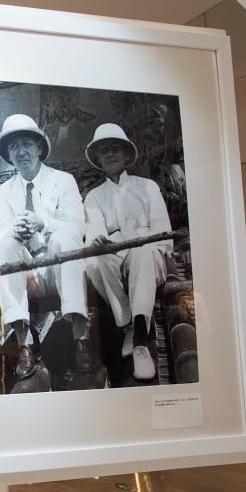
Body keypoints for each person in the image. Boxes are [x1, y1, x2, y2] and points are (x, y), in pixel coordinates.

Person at [0, 114, 93, 379]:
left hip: (58, 268)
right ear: (8, 154)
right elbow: (0, 234)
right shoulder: (5, 190)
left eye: (26, 144)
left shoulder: (63, 180)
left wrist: (43, 222)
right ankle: (25, 344)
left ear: (38, 147)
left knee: (65, 238)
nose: (20, 151)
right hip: (27, 275)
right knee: (4, 247)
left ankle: (81, 339)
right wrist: (16, 231)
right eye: (14, 147)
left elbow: (77, 227)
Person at [83, 123, 173, 380]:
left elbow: (162, 231)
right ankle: (127, 326)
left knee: (142, 249)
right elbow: (94, 231)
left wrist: (137, 242)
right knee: (93, 260)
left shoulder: (147, 186)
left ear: (125, 154)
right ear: (98, 159)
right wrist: (100, 240)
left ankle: (141, 340)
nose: (110, 154)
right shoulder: (94, 197)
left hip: (150, 257)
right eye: (104, 151)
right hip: (115, 261)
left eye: (115, 149)